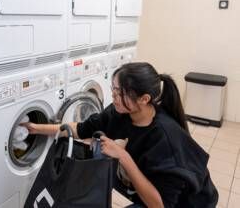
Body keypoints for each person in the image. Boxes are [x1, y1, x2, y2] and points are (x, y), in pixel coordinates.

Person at [21, 62, 218, 208]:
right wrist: (37, 128)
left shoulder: (165, 138)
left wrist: (123, 156)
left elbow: (159, 205)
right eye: (113, 90)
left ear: (144, 99)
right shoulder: (119, 112)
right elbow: (81, 129)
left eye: (118, 93)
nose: (113, 97)